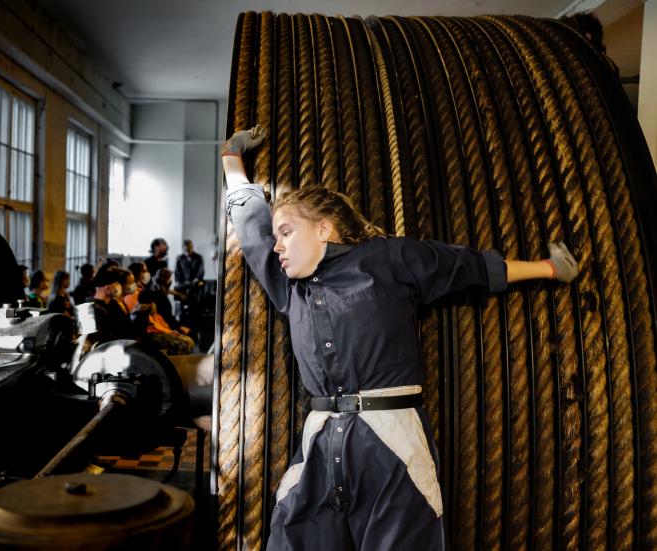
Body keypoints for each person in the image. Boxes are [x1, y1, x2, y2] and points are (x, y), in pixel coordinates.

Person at [221, 126, 579, 550]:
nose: (277, 245)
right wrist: (231, 156)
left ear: (323, 229)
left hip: (391, 441)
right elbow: (251, 223)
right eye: (277, 235)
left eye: (288, 231)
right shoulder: (289, 287)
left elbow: (468, 269)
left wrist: (551, 270)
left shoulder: (389, 259)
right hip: (319, 442)